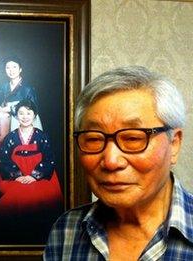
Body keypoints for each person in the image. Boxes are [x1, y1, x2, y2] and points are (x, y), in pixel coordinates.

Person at [44, 66, 193, 260]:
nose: (111, 161)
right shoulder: (66, 230)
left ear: (174, 144)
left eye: (133, 138)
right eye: (94, 139)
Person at [0, 99, 63, 218]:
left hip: (39, 175)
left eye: (28, 113)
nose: (25, 117)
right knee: (16, 195)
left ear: (34, 115)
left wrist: (33, 176)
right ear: (16, 115)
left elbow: (49, 159)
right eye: (21, 113)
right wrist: (18, 176)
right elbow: (4, 159)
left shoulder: (42, 136)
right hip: (15, 175)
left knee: (37, 194)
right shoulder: (10, 137)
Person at [0, 56, 42, 131]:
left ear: (20, 69)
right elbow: (0, 106)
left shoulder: (28, 88)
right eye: (8, 68)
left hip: (23, 122)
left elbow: (34, 109)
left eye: (14, 67)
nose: (11, 70)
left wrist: (11, 108)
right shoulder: (3, 87)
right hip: (6, 122)